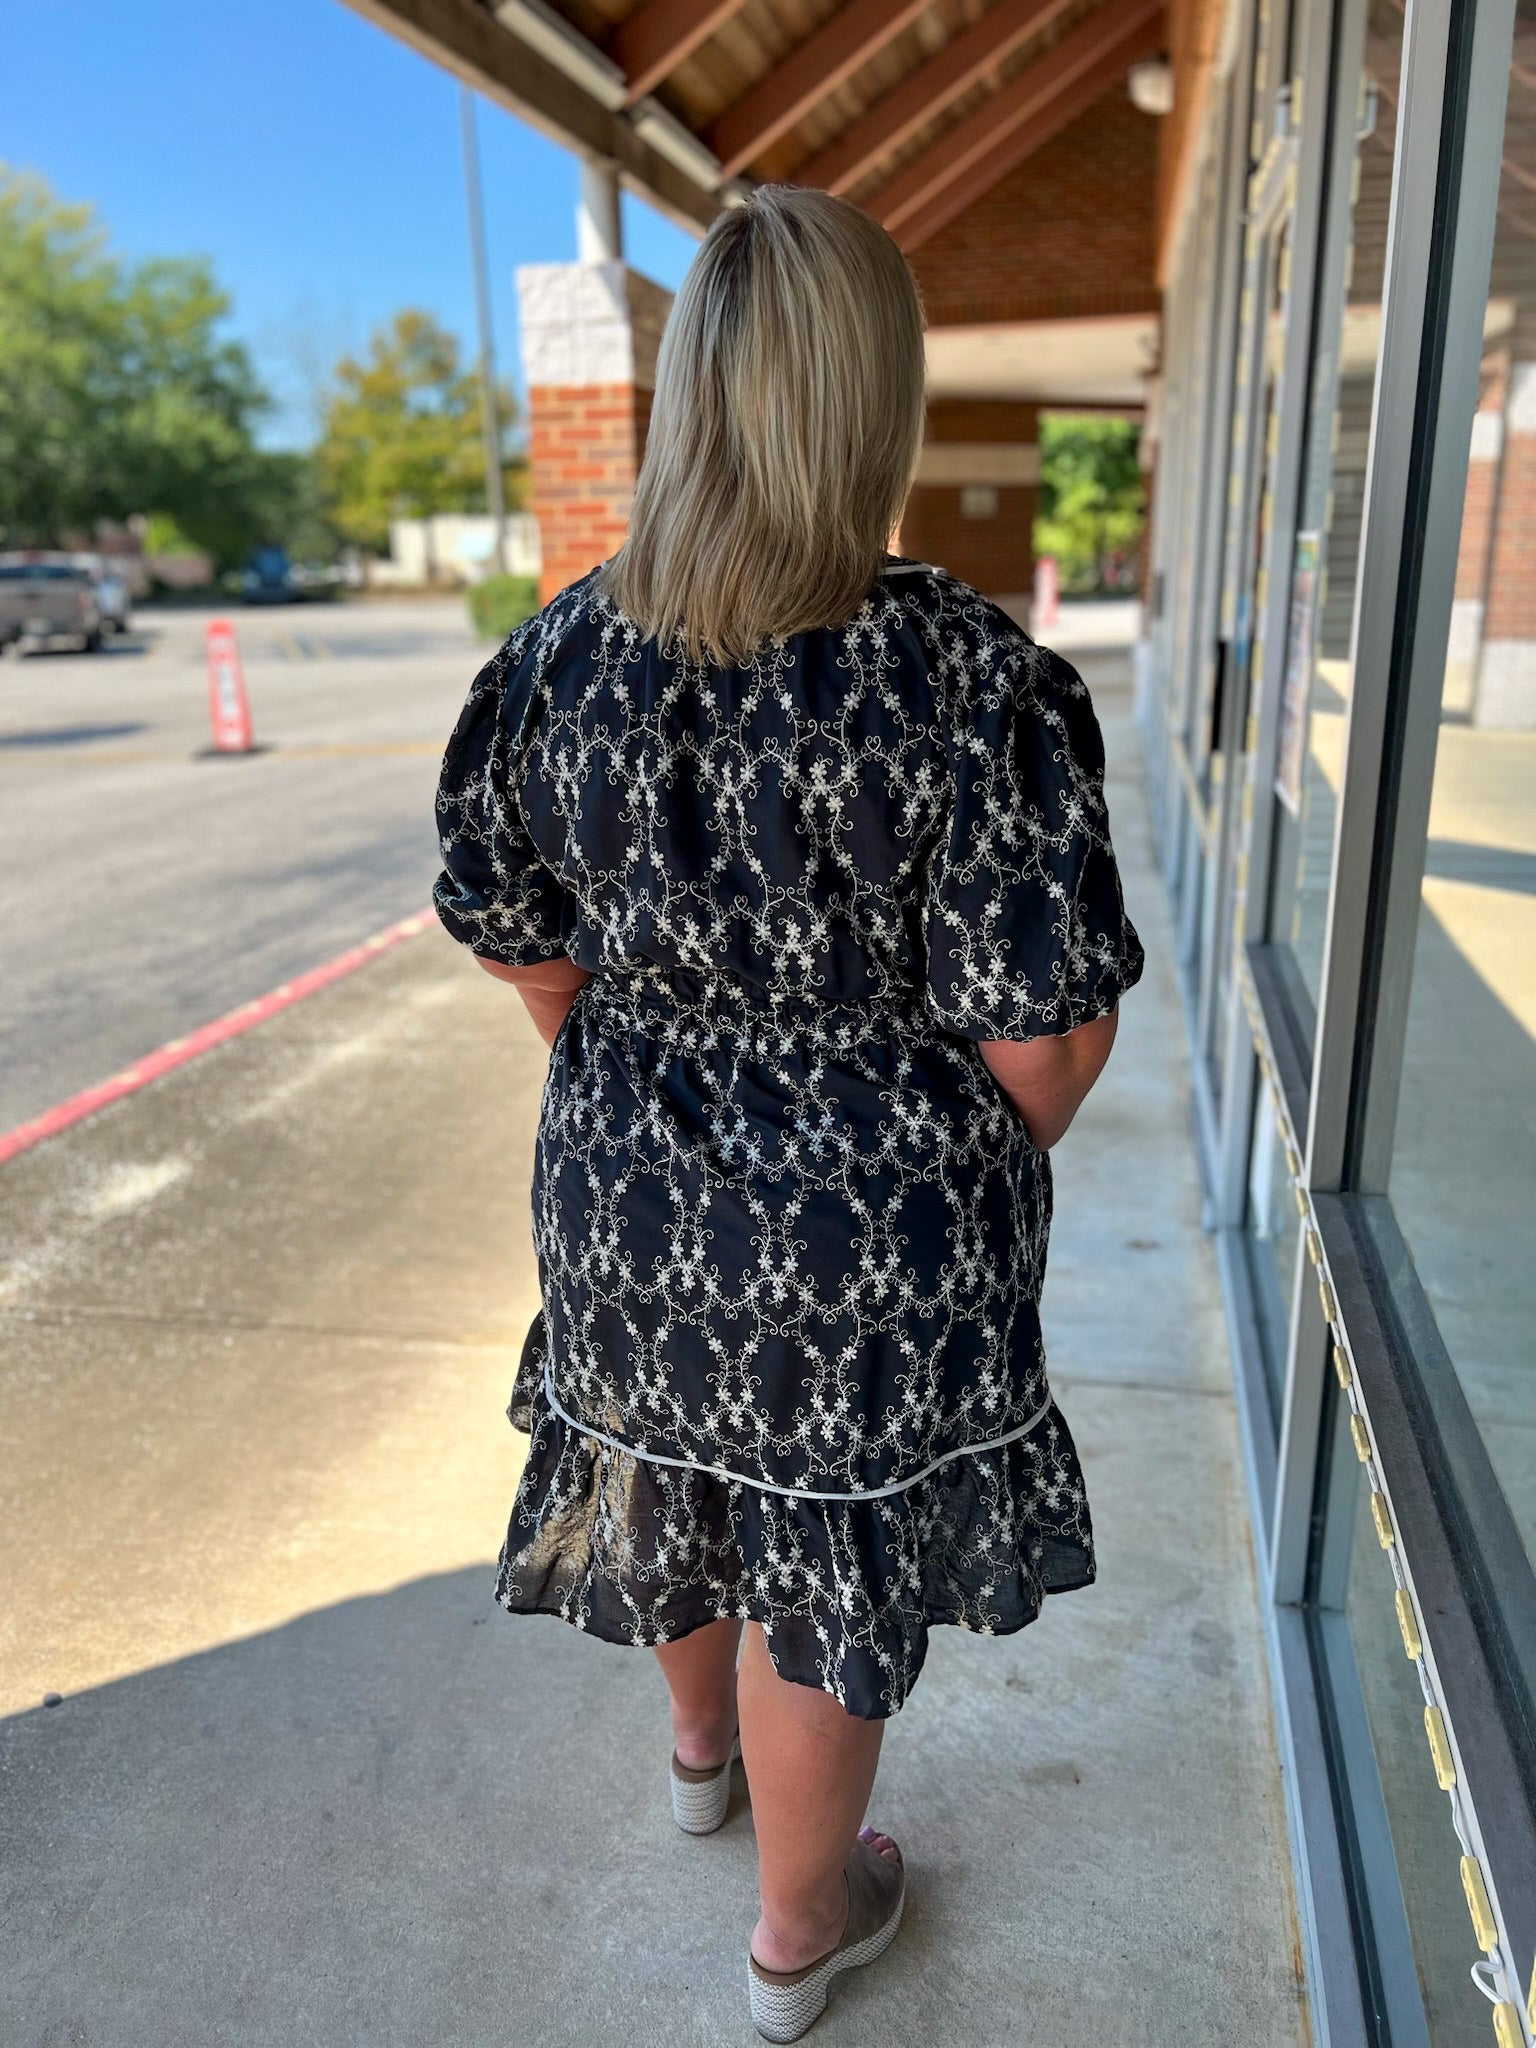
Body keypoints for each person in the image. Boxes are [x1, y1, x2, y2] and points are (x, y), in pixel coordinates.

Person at [433, 184, 1143, 2042]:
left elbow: (522, 938)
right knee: (822, 1553)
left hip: (626, 1195)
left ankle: (695, 1755)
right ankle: (796, 1937)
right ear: (874, 401)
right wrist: (894, 1147)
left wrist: (657, 1103)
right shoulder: (975, 686)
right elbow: (1047, 1051)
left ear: (688, 400)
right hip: (880, 1235)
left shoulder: (559, 655)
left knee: (667, 1480)